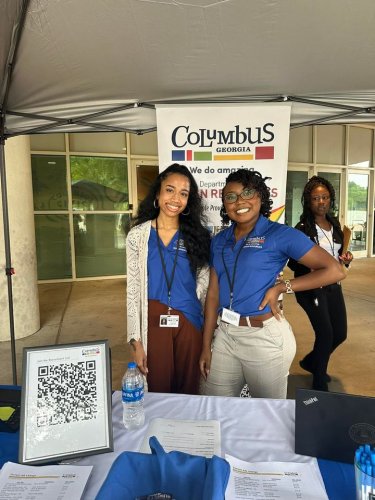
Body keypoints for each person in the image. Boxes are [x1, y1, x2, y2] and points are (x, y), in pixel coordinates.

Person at [199, 169, 346, 399]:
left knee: (267, 414)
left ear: (260, 196)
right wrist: (205, 345)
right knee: (216, 407)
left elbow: (334, 270)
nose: (240, 201)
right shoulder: (219, 241)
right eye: (231, 196)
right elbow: (213, 295)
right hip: (226, 336)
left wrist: (282, 286)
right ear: (224, 205)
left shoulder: (279, 234)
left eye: (247, 193)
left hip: (264, 338)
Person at [126, 163, 211, 394]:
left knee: (189, 390)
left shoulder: (198, 237)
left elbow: (205, 285)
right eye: (170, 190)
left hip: (189, 319)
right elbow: (133, 289)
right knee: (158, 390)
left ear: (189, 201)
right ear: (157, 193)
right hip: (153, 320)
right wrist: (135, 340)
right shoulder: (138, 236)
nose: (175, 198)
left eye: (183, 193)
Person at [288, 176, 353, 391]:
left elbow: (337, 255)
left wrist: (345, 259)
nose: (321, 202)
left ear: (330, 199)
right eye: (316, 198)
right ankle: (318, 381)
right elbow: (293, 262)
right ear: (308, 201)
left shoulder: (334, 225)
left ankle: (311, 362)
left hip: (333, 285)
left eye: (325, 197)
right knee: (325, 333)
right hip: (311, 288)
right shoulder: (302, 228)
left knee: (340, 334)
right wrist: (311, 265)